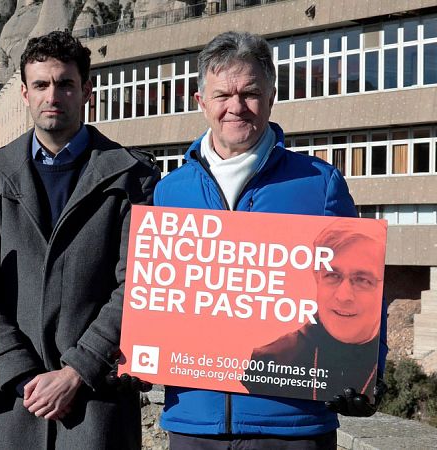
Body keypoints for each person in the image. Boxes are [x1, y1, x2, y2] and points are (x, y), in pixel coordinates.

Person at [152, 31, 388, 449]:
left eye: (250, 93)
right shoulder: (169, 190)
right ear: (200, 101)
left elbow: (366, 283)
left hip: (292, 425)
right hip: (194, 423)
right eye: (223, 94)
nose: (236, 107)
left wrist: (367, 377)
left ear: (272, 97)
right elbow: (156, 295)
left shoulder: (319, 184)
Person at [0, 30, 160, 449]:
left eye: (65, 83)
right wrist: (24, 375)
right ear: (24, 92)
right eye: (41, 84)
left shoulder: (132, 177)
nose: (53, 95)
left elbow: (139, 285)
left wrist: (77, 371)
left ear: (86, 90)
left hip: (95, 404)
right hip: (9, 404)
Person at [243, 220, 386, 401]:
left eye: (362, 280)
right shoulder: (273, 358)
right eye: (332, 275)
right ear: (316, 277)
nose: (344, 296)